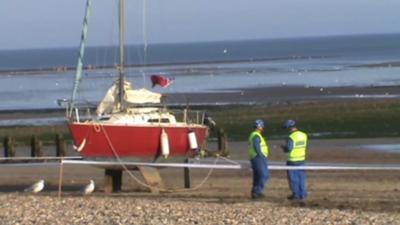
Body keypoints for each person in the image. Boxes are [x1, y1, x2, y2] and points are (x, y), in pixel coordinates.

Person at [281, 119, 308, 200]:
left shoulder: (291, 137)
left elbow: (288, 148)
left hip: (292, 160)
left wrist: (283, 147)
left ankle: (296, 195)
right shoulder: (304, 135)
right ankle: (303, 194)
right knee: (301, 177)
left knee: (293, 178)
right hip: (302, 159)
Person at [248, 119, 269, 200]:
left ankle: (256, 192)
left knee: (257, 176)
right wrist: (260, 155)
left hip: (256, 157)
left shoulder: (254, 135)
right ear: (259, 127)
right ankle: (257, 191)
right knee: (264, 175)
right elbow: (257, 147)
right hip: (258, 158)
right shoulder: (256, 136)